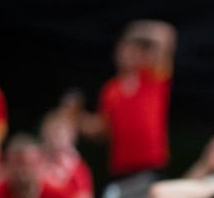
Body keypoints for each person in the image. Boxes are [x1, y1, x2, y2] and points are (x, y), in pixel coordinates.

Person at [67, 20, 176, 183]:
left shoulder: (153, 77)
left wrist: (132, 32)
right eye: (124, 48)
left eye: (134, 49)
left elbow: (167, 34)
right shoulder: (111, 89)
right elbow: (103, 130)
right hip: (121, 168)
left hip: (151, 166)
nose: (128, 54)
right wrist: (75, 116)